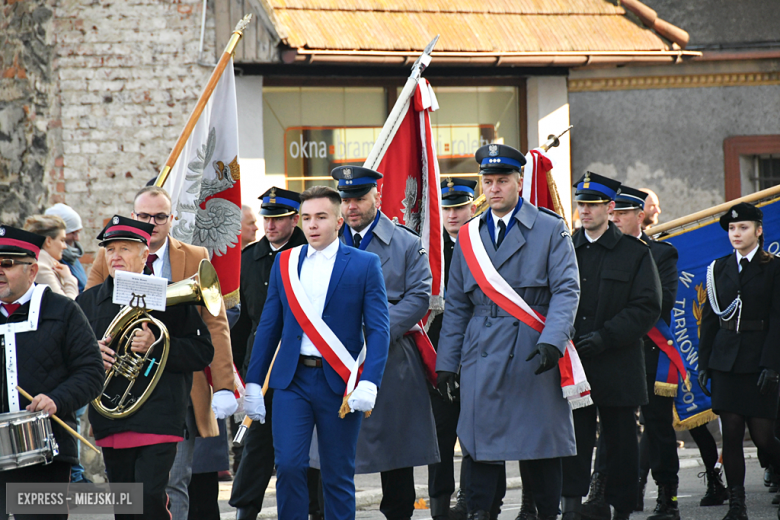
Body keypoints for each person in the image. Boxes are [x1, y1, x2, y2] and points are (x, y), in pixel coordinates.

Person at [436, 144, 580, 520]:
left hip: (533, 352)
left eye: (503, 180)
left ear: (519, 181)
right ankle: (481, 513)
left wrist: (553, 340)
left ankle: (547, 513)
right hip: (481, 352)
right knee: (481, 448)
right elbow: (457, 305)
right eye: (488, 181)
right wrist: (447, 363)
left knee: (540, 449)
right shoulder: (469, 235)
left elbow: (567, 289)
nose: (495, 188)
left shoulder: (549, 229)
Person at [86, 186, 236, 519]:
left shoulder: (172, 287)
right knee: (125, 503)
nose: (116, 256)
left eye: (125, 249)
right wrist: (92, 352)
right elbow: (82, 340)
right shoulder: (94, 293)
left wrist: (223, 383)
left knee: (159, 493)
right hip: (113, 416)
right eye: (112, 249)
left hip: (164, 408)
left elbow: (209, 336)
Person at [244, 185, 390, 520]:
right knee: (290, 466)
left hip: (339, 382)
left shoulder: (365, 264)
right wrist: (254, 381)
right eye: (307, 218)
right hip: (291, 380)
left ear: (338, 221)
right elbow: (269, 326)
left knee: (337, 473)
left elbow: (379, 330)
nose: (312, 225)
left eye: (321, 217)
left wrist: (371, 381)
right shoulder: (285, 261)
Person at [332, 165, 439, 520]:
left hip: (391, 358)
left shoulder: (406, 243)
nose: (351, 207)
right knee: (331, 449)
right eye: (345, 199)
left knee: (396, 453)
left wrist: (373, 332)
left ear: (377, 197)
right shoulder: (326, 243)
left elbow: (419, 297)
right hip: (335, 357)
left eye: (359, 198)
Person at [561, 172, 662, 520]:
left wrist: (606, 337)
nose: (584, 211)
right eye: (581, 204)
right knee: (573, 443)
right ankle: (571, 508)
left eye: (592, 205)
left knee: (620, 446)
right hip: (574, 364)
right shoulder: (565, 247)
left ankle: (621, 509)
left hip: (617, 364)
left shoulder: (633, 252)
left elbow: (646, 306)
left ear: (610, 207)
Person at [0, 225, 104, 520]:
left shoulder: (63, 310)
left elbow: (92, 371)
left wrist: (56, 399)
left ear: (32, 270)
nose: (0, 272)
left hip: (46, 452)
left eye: (7, 265)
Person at [229, 187, 309, 520]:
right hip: (259, 368)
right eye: (267, 218)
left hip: (302, 368)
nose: (271, 225)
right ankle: (245, 509)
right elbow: (243, 324)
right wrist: (236, 372)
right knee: (255, 446)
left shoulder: (312, 253)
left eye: (278, 219)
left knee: (305, 451)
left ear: (294, 219)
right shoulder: (248, 259)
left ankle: (313, 510)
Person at [698, 202, 780, 520]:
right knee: (730, 432)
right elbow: (709, 319)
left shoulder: (773, 267)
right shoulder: (718, 268)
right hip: (726, 361)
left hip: (760, 360)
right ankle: (737, 504)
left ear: (758, 230)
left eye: (743, 227)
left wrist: (773, 365)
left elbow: (777, 318)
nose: (736, 233)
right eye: (732, 228)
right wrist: (705, 363)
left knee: (763, 437)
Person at [608, 186, 680, 520]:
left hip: (650, 350)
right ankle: (621, 493)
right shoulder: (603, 252)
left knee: (658, 429)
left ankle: (668, 498)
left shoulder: (662, 254)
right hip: (613, 351)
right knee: (615, 428)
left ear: (640, 215)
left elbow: (662, 303)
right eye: (613, 212)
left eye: (622, 213)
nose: (615, 218)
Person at [426, 178, 477, 520]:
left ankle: (475, 503)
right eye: (446, 207)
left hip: (480, 354)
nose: (452, 214)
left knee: (479, 436)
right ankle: (440, 506)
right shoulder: (430, 248)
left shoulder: (484, 243)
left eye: (459, 206)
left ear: (473, 206)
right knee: (440, 438)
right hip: (439, 357)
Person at [23, 215, 79, 299]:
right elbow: (67, 306)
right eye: (62, 240)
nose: (65, 246)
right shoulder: (41, 268)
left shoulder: (46, 264)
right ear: (48, 241)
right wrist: (69, 278)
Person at [45, 203, 88, 292]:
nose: (77, 238)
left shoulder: (71, 256)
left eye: (78, 232)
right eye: (73, 233)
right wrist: (69, 278)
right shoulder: (47, 265)